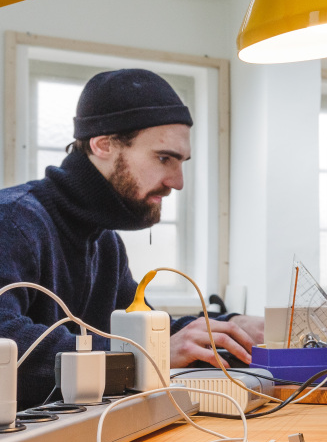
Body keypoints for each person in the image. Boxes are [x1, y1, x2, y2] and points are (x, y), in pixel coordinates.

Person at [0, 69, 264, 409]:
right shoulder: (14, 221)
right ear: (103, 144)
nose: (177, 182)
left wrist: (229, 327)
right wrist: (145, 356)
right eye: (164, 158)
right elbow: (6, 344)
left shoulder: (105, 243)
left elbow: (144, 331)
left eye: (181, 162)